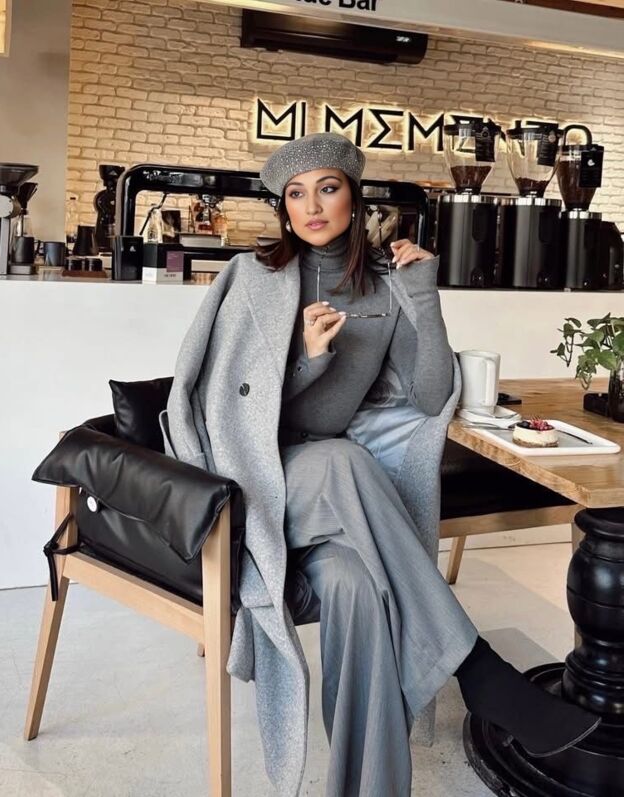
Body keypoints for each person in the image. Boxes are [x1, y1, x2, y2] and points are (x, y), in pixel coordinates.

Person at [163, 132, 600, 796]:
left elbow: (428, 396)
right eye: (296, 194)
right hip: (258, 483)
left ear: (354, 197)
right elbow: (224, 407)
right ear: (283, 207)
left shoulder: (388, 290)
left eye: (327, 188)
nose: (313, 206)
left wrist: (424, 295)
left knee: (356, 586)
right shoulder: (253, 278)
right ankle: (478, 668)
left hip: (336, 504)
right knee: (342, 459)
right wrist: (306, 361)